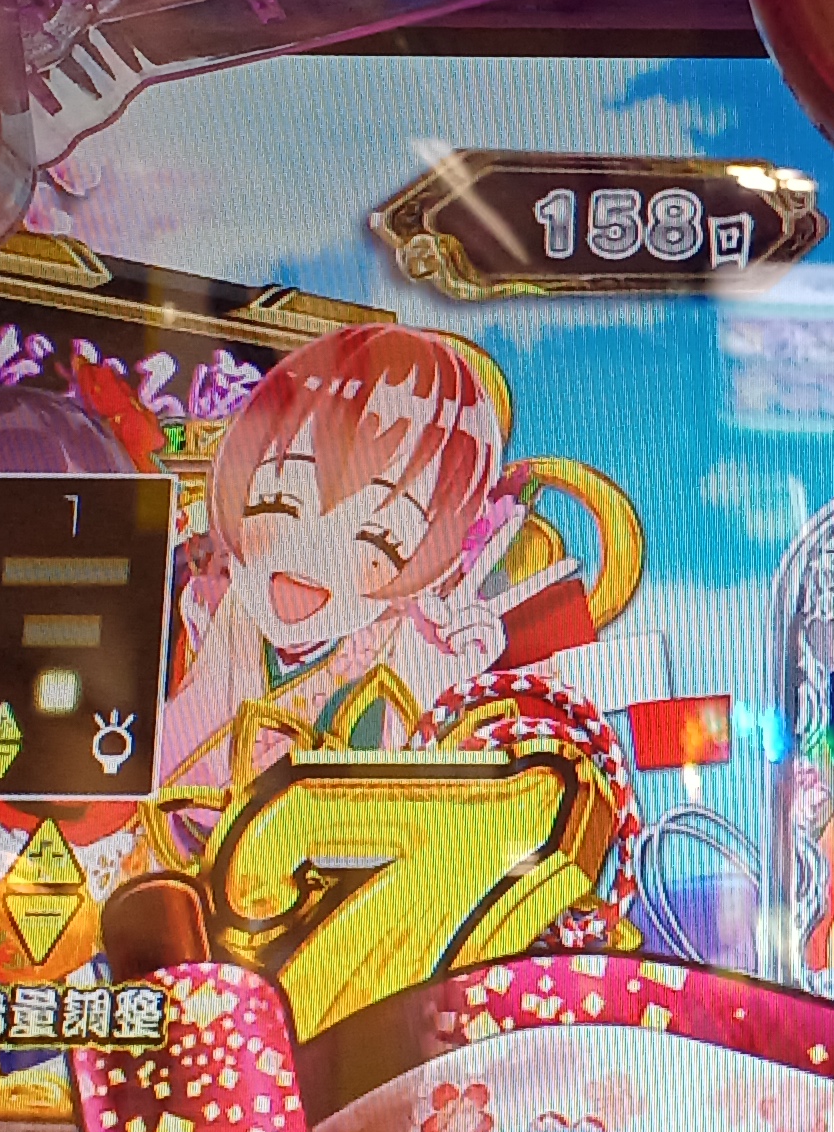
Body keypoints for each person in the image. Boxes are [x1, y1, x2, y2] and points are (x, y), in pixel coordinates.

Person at [154, 324, 583, 796]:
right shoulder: (234, 617)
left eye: (379, 539)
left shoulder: (409, 649)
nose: (313, 554)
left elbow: (404, 813)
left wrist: (429, 693)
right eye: (278, 502)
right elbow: (167, 769)